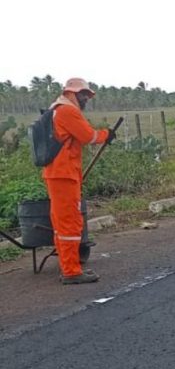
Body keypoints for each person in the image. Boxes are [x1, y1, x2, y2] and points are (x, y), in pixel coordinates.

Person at [42, 78, 114, 284]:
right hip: (64, 174)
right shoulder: (67, 111)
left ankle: (69, 266)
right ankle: (71, 272)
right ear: (72, 93)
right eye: (83, 94)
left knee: (62, 222)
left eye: (87, 95)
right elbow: (87, 135)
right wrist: (106, 134)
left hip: (59, 173)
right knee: (70, 223)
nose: (86, 99)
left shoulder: (57, 109)